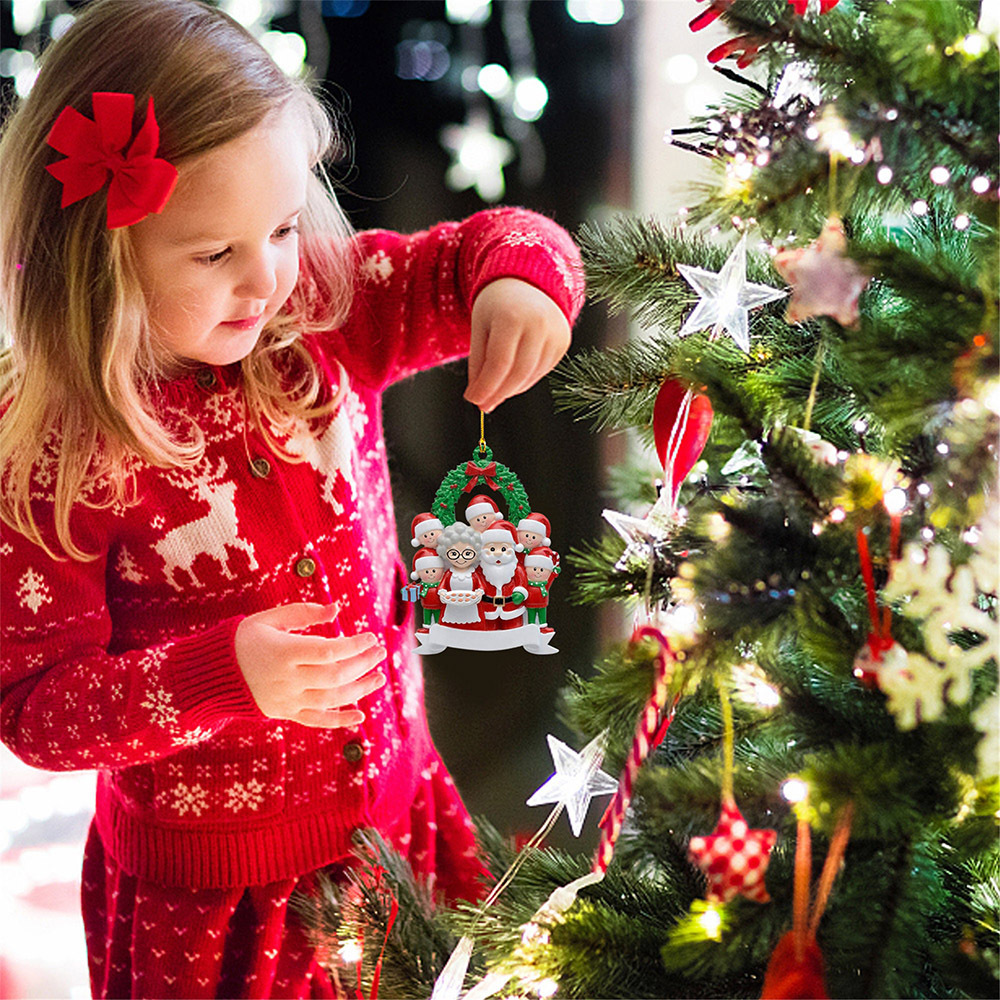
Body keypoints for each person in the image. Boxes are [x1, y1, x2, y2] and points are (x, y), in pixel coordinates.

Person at [0, 1, 584, 997]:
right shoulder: (58, 448)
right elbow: (34, 708)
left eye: (277, 226)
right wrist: (221, 675)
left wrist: (520, 281)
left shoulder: (320, 312)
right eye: (214, 253)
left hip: (397, 824)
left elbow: (478, 248)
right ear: (99, 253)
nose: (264, 276)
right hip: (220, 906)